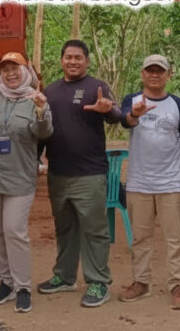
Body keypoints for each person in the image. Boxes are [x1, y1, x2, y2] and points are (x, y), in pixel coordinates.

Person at [37, 39, 123, 308]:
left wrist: (109, 110)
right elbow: (42, 130)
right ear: (61, 60)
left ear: (87, 61)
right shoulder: (51, 91)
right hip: (58, 173)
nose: (73, 62)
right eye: (68, 57)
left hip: (90, 174)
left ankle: (98, 282)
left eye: (78, 57)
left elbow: (116, 115)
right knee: (64, 228)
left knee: (94, 230)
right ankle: (64, 276)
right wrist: (35, 159)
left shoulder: (97, 87)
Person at [118, 54, 180, 310]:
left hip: (171, 182)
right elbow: (124, 121)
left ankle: (178, 284)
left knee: (175, 237)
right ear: (142, 74)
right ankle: (141, 282)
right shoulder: (132, 100)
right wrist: (134, 115)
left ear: (168, 75)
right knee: (140, 237)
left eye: (159, 71)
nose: (154, 75)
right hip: (139, 182)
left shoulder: (178, 105)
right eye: (150, 70)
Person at [0, 52, 52, 314]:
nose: (10, 74)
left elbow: (45, 133)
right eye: (5, 69)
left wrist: (41, 111)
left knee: (14, 231)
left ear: (26, 72)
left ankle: (22, 287)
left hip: (20, 176)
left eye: (15, 68)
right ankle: (5, 283)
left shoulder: (36, 99)